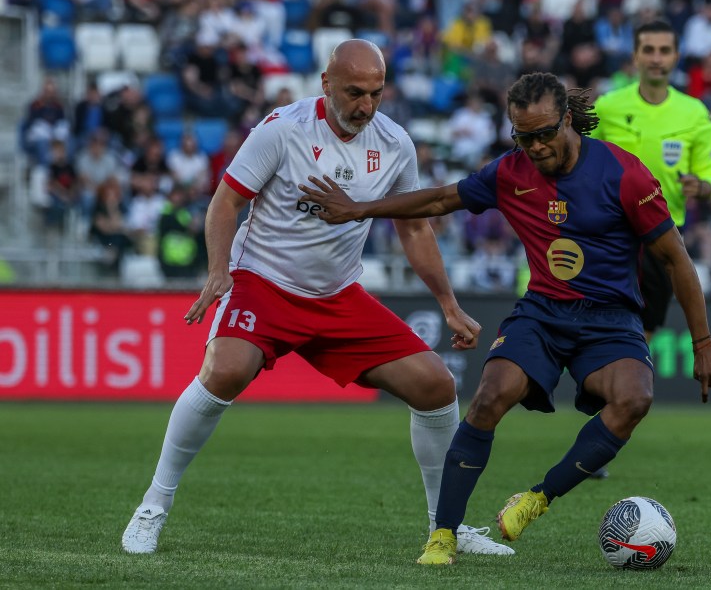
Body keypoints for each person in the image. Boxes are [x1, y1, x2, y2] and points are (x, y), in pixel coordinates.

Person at [297, 72, 711, 565]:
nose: (537, 146)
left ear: (568, 120)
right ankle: (443, 534)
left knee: (635, 399)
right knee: (488, 397)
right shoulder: (511, 172)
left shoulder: (623, 173)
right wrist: (360, 210)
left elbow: (676, 259)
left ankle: (537, 499)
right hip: (543, 313)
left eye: (546, 133)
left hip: (610, 319)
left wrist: (703, 342)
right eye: (524, 137)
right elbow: (440, 199)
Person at [121, 40, 512, 557]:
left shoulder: (395, 143)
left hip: (336, 295)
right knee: (225, 372)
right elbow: (226, 202)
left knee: (436, 386)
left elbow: (414, 230)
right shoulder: (282, 129)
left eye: (376, 93)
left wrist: (448, 304)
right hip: (264, 282)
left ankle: (448, 527)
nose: (366, 106)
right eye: (354, 92)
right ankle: (153, 506)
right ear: (326, 84)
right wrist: (219, 272)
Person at [590, 18, 711, 340]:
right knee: (597, 325)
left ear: (676, 57)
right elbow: (580, 158)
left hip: (662, 234)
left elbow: (710, 178)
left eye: (664, 51)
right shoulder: (607, 107)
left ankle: (628, 388)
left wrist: (700, 186)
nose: (656, 58)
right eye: (648, 50)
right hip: (610, 230)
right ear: (635, 56)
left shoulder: (695, 114)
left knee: (643, 332)